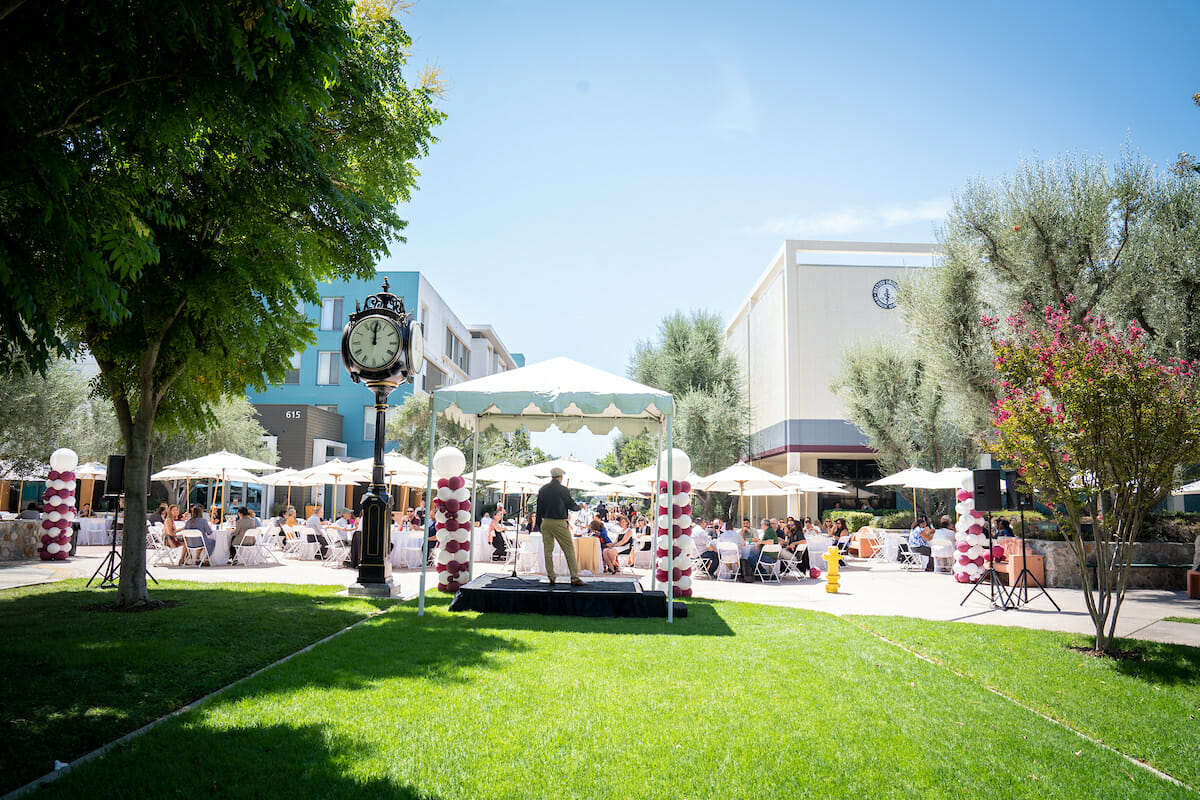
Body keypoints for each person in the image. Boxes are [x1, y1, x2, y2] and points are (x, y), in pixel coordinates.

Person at [535, 466, 584, 586]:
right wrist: (579, 507)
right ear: (560, 477)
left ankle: (551, 576)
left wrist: (538, 524)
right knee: (569, 549)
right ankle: (574, 577)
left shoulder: (543, 489)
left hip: (545, 522)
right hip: (559, 522)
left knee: (548, 551)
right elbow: (570, 505)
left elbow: (538, 509)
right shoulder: (563, 489)